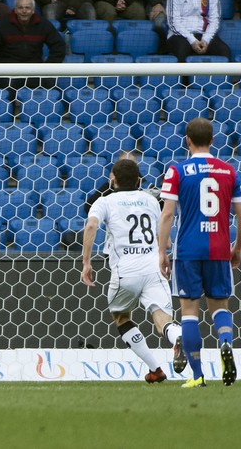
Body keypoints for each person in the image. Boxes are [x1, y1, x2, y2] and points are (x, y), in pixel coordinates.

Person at [157, 117, 241, 388]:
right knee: (220, 307)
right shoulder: (229, 171)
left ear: (187, 140)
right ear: (212, 140)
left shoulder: (177, 171)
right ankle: (224, 343)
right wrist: (237, 247)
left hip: (187, 250)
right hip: (219, 248)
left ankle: (197, 375)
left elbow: (168, 214)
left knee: (188, 312)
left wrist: (163, 251)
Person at [81, 158, 184, 384]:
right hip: (154, 269)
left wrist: (86, 263)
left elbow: (91, 225)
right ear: (139, 180)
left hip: (124, 272)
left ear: (112, 180)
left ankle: (155, 368)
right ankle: (179, 338)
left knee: (121, 317)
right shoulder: (150, 200)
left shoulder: (104, 201)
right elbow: (164, 241)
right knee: (163, 320)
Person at [0, 0, 65, 88]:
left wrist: (48, 68)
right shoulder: (1, 25)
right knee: (7, 89)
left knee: (49, 88)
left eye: (27, 8)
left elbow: (59, 47)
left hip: (35, 71)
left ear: (33, 10)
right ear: (15, 10)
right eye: (20, 8)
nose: (24, 11)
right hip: (8, 72)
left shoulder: (44, 24)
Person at [165, 0, 231, 62]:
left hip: (203, 34)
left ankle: (222, 79)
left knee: (224, 50)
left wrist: (206, 39)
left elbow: (215, 20)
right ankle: (184, 79)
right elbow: (173, 22)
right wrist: (192, 40)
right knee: (182, 51)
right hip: (180, 36)